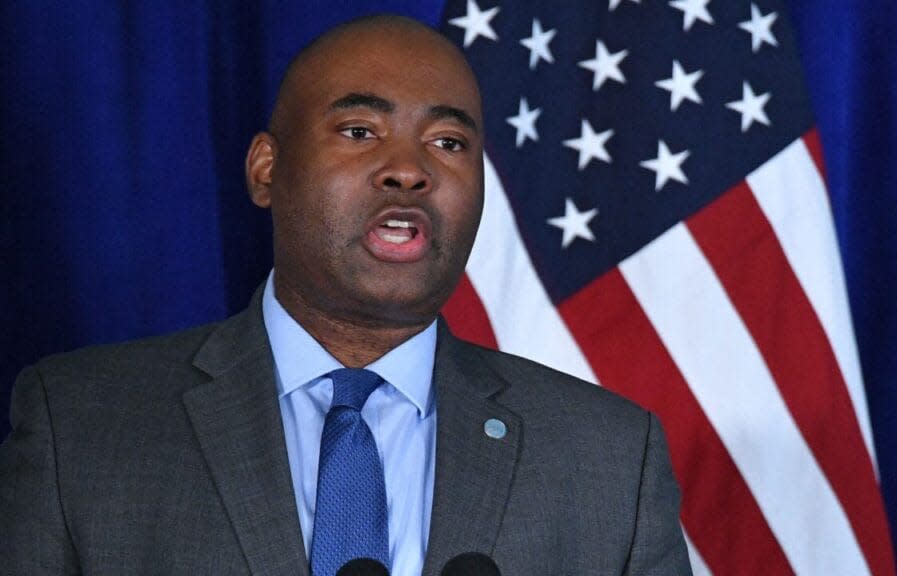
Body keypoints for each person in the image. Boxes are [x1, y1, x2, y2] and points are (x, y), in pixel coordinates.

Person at [0, 14, 691, 576]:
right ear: (267, 169)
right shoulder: (82, 427)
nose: (407, 171)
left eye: (448, 142)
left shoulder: (608, 459)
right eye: (360, 132)